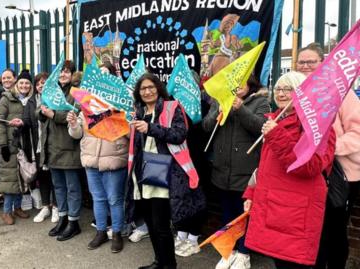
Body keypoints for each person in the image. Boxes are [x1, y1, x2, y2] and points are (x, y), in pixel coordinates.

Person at [243, 72, 336, 269]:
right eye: (278, 88)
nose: (281, 93)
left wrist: (277, 135)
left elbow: (310, 166)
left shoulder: (317, 125)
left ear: (303, 93)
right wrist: (252, 193)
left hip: (294, 213)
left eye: (288, 89)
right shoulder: (275, 119)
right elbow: (266, 167)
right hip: (274, 206)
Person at [128, 73, 205, 269]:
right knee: (151, 224)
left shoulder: (172, 107)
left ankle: (169, 264)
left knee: (161, 225)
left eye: (151, 87)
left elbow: (179, 135)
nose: (147, 91)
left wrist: (151, 128)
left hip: (162, 171)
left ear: (158, 87)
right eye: (143, 88)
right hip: (141, 171)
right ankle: (158, 261)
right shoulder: (137, 111)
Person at [296, 43, 360, 269]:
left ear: (322, 64)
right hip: (311, 173)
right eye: (301, 62)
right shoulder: (297, 93)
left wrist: (328, 150)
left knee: (334, 230)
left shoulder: (342, 92)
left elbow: (357, 133)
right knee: (314, 230)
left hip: (340, 175)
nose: (305, 66)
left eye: (310, 61)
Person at [202, 75, 270, 267]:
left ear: (250, 84)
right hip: (221, 170)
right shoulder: (219, 99)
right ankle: (229, 250)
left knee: (244, 214)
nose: (237, 86)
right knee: (227, 212)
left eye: (242, 82)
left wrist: (240, 109)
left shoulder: (260, 102)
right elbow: (206, 127)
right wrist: (218, 114)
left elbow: (261, 128)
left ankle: (244, 253)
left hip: (245, 171)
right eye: (233, 82)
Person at [66, 107, 128, 253]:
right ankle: (101, 232)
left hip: (114, 160)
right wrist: (74, 124)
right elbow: (77, 135)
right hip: (91, 160)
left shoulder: (120, 107)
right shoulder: (87, 109)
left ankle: (117, 233)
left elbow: (131, 135)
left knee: (115, 199)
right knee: (98, 199)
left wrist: (117, 116)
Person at [38, 60, 83, 241]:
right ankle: (63, 218)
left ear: (72, 75)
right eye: (61, 72)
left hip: (69, 148)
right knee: (58, 187)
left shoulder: (76, 93)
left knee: (72, 188)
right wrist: (42, 112)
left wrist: (54, 115)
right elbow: (37, 111)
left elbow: (77, 114)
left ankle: (74, 222)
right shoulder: (51, 91)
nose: (63, 75)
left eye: (66, 72)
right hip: (52, 148)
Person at [0, 69, 33, 225]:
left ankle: (17, 207)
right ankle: (6, 211)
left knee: (21, 178)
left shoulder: (31, 100)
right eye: (21, 83)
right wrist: (3, 144)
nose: (24, 85)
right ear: (17, 84)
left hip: (25, 146)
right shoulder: (6, 99)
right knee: (10, 179)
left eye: (27, 83)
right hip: (10, 146)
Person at [23, 72, 59, 223]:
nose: (40, 86)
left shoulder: (56, 99)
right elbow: (26, 119)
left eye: (43, 83)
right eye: (37, 84)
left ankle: (57, 207)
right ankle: (46, 206)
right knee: (43, 176)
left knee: (55, 177)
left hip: (53, 144)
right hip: (38, 146)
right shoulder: (31, 101)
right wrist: (20, 123)